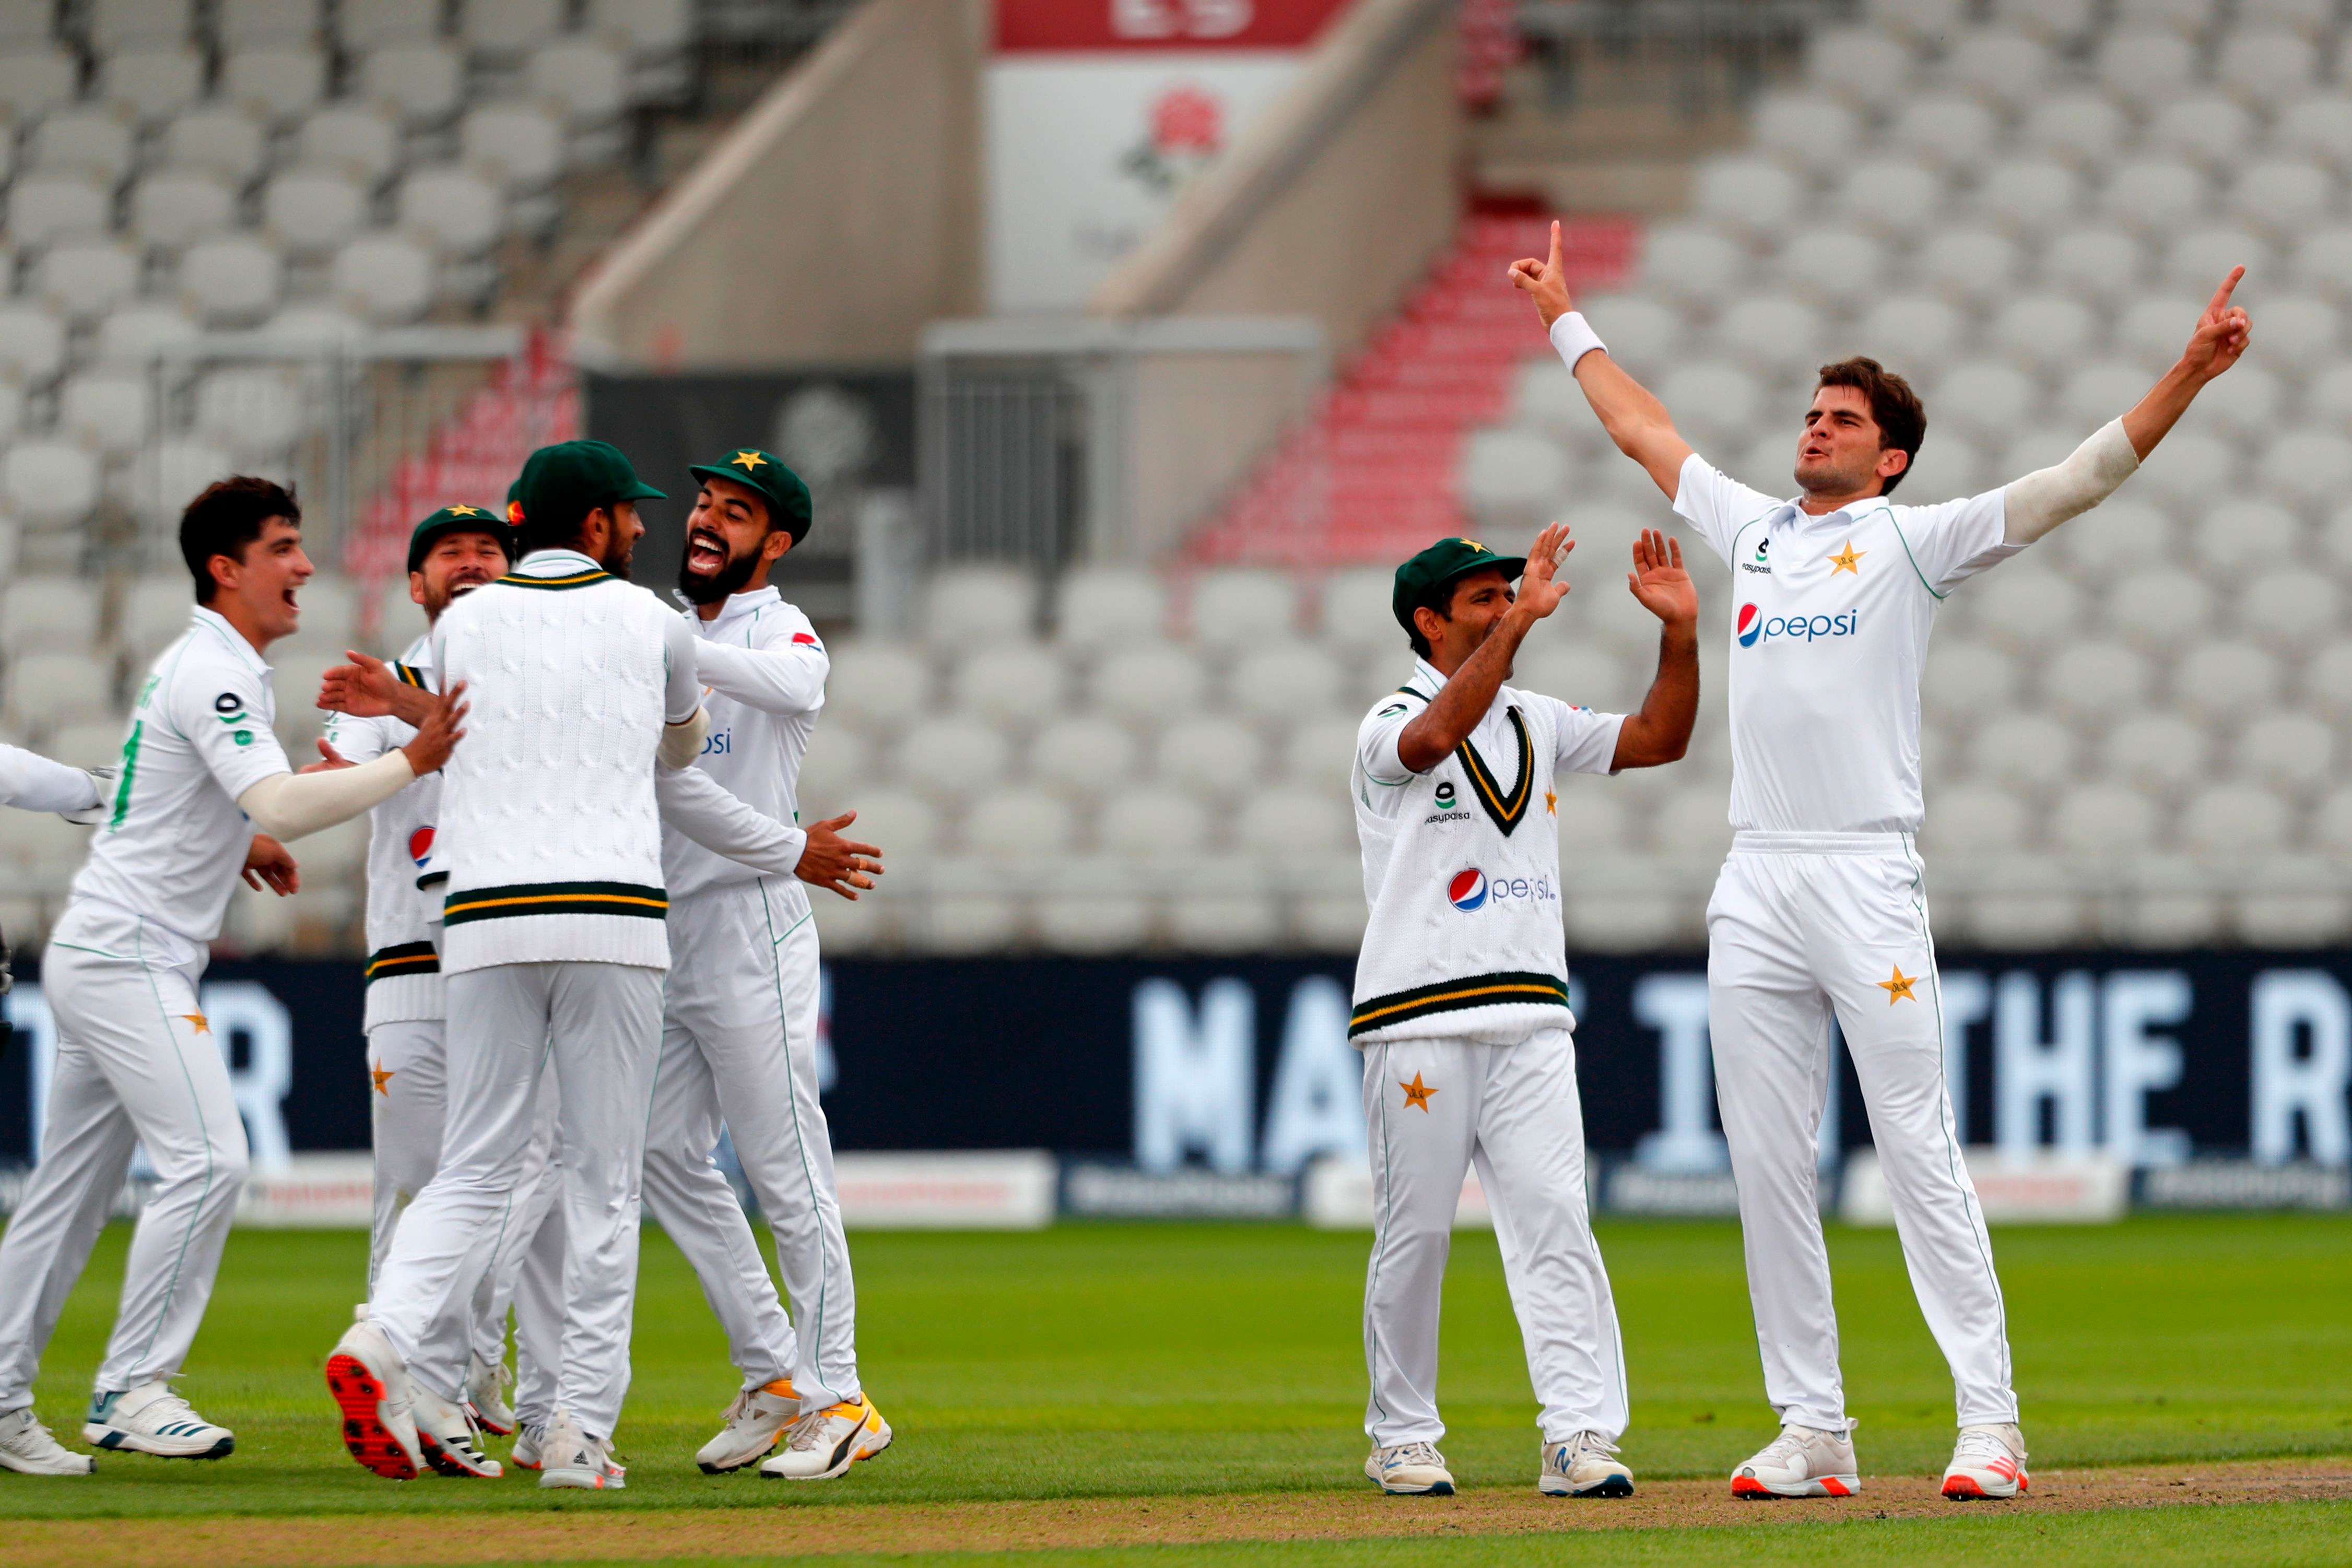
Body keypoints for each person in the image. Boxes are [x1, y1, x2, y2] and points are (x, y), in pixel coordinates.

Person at [1510, 221, 2253, 1501]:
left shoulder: (1917, 539)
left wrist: (2187, 369)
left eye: (1840, 418)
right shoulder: (1750, 531)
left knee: (1915, 1144)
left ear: (1888, 455)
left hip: (1863, 873)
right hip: (1754, 873)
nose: (1813, 428)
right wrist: (1562, 317)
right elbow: (1640, 428)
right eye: (1810, 413)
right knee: (1763, 1158)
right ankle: (1811, 1426)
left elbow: (2076, 479)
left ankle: (1989, 1423)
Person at [0, 477, 464, 1478]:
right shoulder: (214, 671)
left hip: (111, 950)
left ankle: (1, 1399)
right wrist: (413, 761)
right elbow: (283, 803)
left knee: (67, 1199)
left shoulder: (216, 667)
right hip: (127, 955)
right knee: (209, 1163)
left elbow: (165, 798)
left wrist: (231, 840)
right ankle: (134, 1389)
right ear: (226, 568)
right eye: (283, 548)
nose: (305, 567)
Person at [1354, 528, 1698, 1499]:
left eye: (1510, 594)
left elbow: (1659, 739)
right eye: (1484, 600)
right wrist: (1521, 630)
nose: (1508, 607)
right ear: (1429, 622)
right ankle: (1403, 1435)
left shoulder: (1537, 717)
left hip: (1534, 1013)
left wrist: (1679, 634)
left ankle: (1578, 1433)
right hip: (1418, 1015)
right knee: (1417, 1235)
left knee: (1557, 1226)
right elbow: (1432, 743)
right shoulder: (1388, 719)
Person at [636, 449, 888, 1480]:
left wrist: (669, 651)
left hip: (751, 927)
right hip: (665, 932)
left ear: (774, 542)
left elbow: (798, 681)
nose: (706, 520)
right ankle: (774, 1370)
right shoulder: (666, 626)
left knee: (786, 1170)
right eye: (702, 503)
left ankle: (843, 1398)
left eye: (734, 513)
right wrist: (664, 644)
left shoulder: (777, 627)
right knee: (657, 1152)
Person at [316, 506, 526, 1474]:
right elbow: (341, 778)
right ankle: (416, 1383)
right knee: (416, 1187)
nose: (472, 563)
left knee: (503, 1186)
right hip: (410, 959)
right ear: (417, 584)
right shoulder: (381, 682)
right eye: (450, 553)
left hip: (513, 956)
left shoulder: (533, 674)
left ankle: (458, 1376)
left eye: (489, 551)